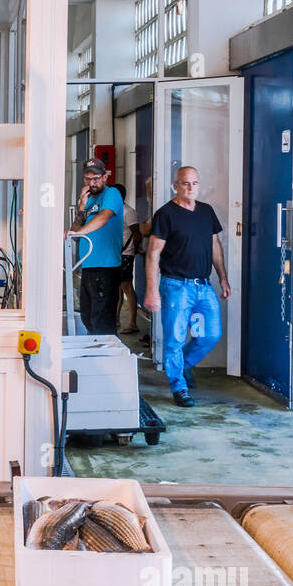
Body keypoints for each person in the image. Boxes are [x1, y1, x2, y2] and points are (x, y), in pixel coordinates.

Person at [144, 166, 231, 407]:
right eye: (185, 183)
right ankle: (179, 388)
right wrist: (151, 290)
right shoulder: (166, 214)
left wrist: (222, 277)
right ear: (176, 186)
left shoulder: (206, 212)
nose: (190, 188)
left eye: (194, 183)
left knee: (211, 334)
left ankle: (182, 366)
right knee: (174, 339)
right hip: (176, 286)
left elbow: (215, 246)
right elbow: (153, 254)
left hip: (203, 287)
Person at [66, 158, 124, 336]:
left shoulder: (111, 194)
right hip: (88, 265)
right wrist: (82, 208)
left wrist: (77, 233)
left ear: (105, 177)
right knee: (87, 315)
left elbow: (103, 217)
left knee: (102, 319)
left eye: (96, 179)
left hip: (105, 266)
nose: (92, 183)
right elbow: (75, 234)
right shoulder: (88, 200)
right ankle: (95, 354)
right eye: (87, 179)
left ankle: (106, 357)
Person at [111, 182, 142, 334]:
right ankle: (116, 319)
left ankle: (132, 323)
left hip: (125, 254)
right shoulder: (114, 210)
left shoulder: (127, 211)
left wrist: (134, 250)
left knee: (127, 287)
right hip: (117, 254)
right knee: (118, 288)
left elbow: (137, 233)